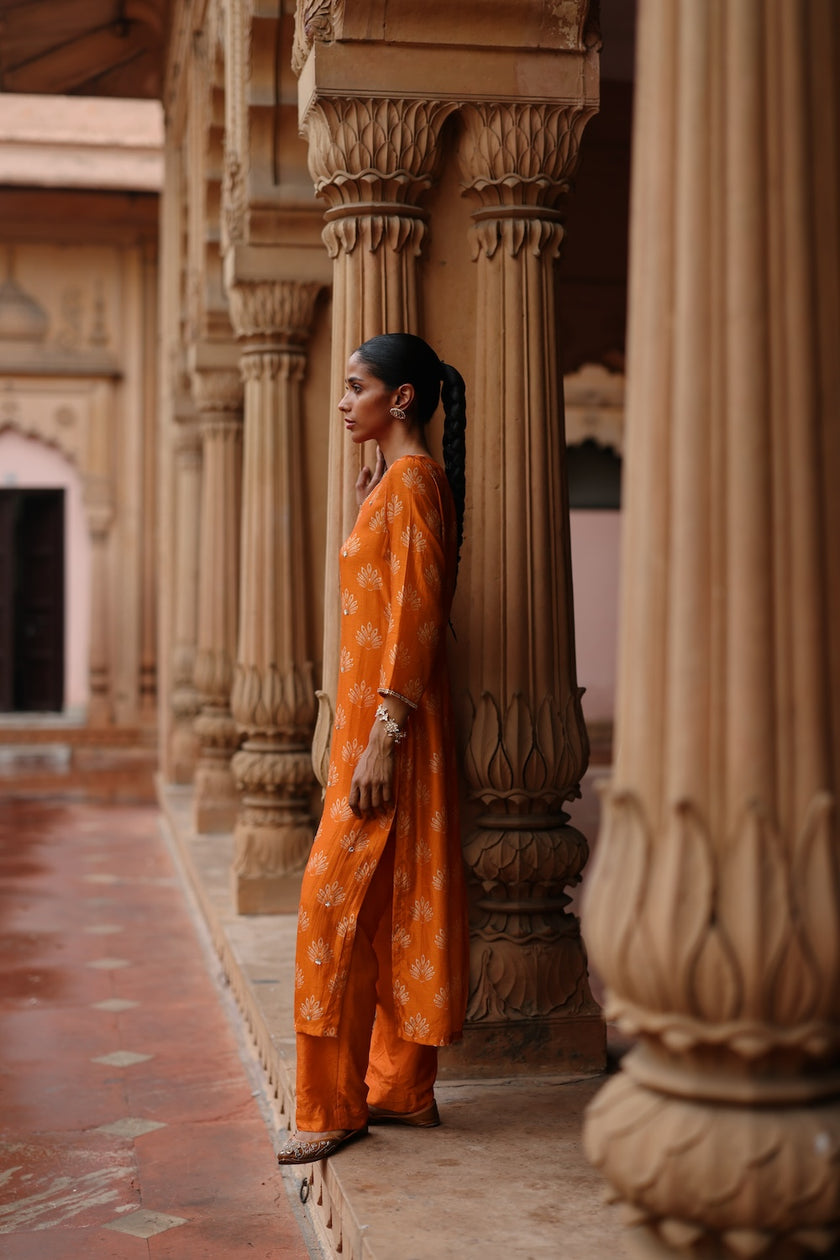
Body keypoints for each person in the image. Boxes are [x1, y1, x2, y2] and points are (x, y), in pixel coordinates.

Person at [277, 332, 469, 1165]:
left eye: (356, 386)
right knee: (385, 911)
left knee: (330, 906)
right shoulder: (395, 484)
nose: (343, 400)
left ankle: (329, 1108)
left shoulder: (416, 481)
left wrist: (384, 739)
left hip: (390, 733)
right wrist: (369, 508)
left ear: (402, 399)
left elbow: (417, 614)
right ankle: (399, 1089)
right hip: (373, 731)